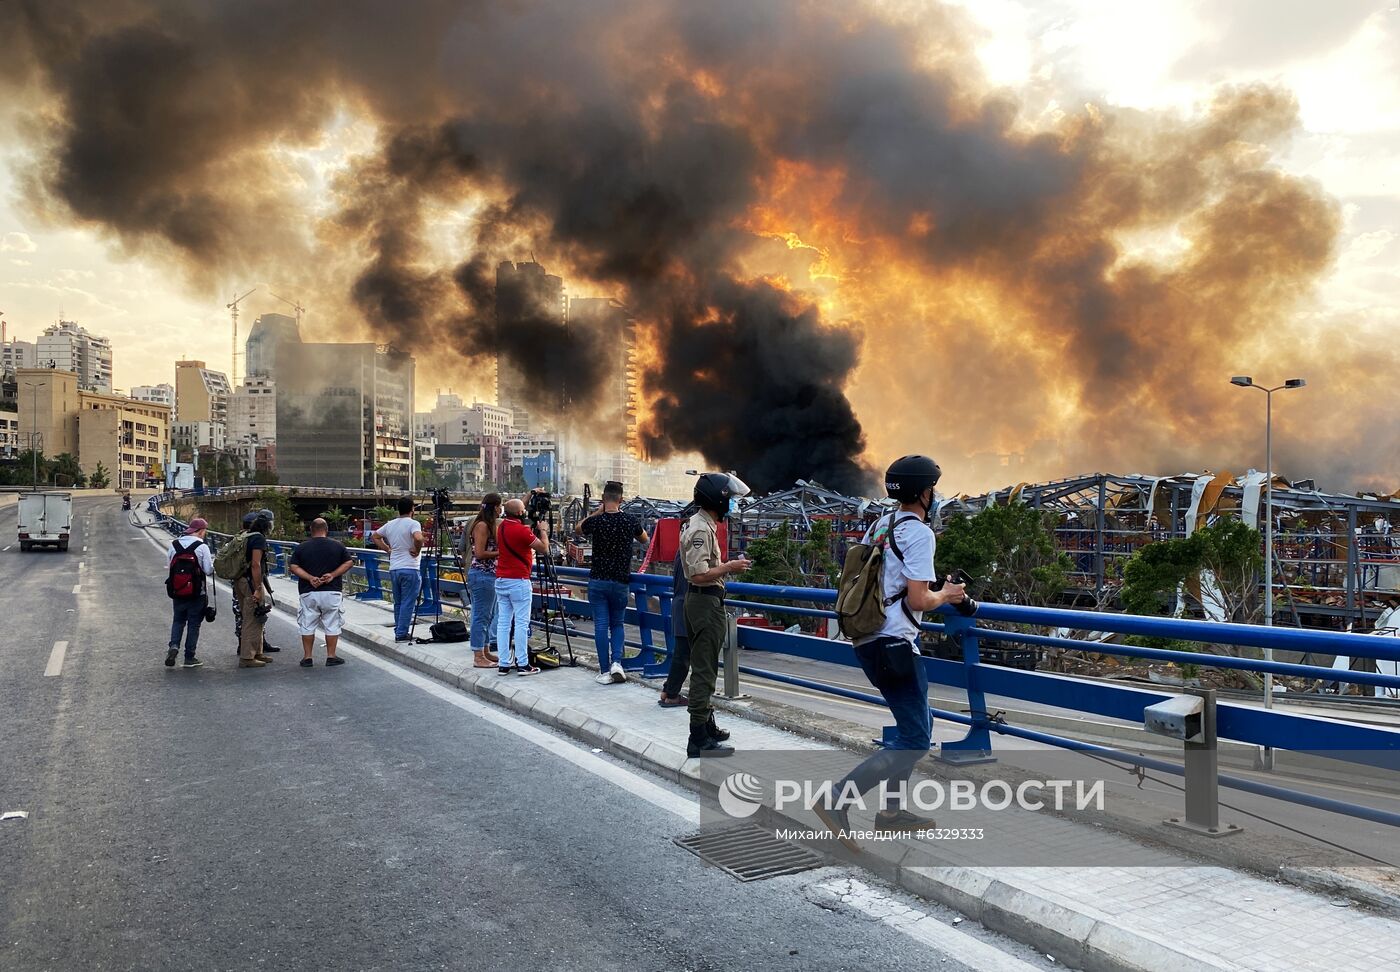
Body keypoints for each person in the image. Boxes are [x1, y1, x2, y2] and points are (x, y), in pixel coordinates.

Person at [814, 455, 966, 844]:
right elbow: (918, 599)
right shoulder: (920, 534)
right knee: (915, 739)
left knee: (916, 727)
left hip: (869, 639)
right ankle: (836, 799)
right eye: (932, 489)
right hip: (894, 644)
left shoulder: (880, 525)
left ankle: (892, 813)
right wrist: (947, 594)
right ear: (924, 493)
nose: (934, 495)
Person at [679, 472, 752, 758]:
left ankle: (706, 725)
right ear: (716, 500)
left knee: (706, 665)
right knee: (704, 671)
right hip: (704, 602)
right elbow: (698, 575)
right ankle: (697, 738)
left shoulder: (702, 523)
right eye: (729, 499)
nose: (732, 504)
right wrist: (729, 567)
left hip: (704, 601)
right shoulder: (700, 529)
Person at [578, 481, 649, 685]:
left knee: (601, 625)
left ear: (603, 499)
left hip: (598, 580)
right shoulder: (629, 520)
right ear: (621, 500)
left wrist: (597, 512)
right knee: (617, 624)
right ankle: (616, 663)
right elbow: (644, 539)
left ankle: (603, 670)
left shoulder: (596, 521)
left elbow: (578, 529)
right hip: (620, 581)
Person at [289, 517, 355, 668]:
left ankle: (307, 657)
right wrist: (332, 575)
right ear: (326, 530)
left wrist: (310, 578)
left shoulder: (302, 547)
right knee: (332, 623)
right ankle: (331, 656)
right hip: (332, 591)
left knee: (307, 624)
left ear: (311, 530)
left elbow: (294, 567)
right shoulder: (338, 545)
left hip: (308, 592)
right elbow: (349, 562)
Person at [495, 497, 549, 676]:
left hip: (501, 580)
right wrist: (543, 531)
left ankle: (503, 663)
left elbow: (516, 510)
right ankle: (523, 664)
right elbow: (544, 549)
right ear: (520, 513)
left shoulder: (502, 526)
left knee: (503, 623)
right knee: (521, 623)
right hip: (518, 581)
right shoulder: (522, 531)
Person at [372, 497, 425, 642]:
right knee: (408, 602)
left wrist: (388, 549)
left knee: (399, 602)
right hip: (410, 568)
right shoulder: (413, 523)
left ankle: (399, 630)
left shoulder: (390, 524)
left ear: (398, 509)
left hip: (394, 568)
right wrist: (417, 550)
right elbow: (419, 538)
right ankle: (402, 633)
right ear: (412, 509)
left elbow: (375, 536)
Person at [231, 508, 282, 655]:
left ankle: (256, 647)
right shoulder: (257, 539)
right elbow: (256, 564)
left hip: (240, 579)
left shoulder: (242, 538)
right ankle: (248, 654)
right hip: (250, 581)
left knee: (246, 615)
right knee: (252, 617)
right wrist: (258, 588)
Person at [165, 517, 213, 669]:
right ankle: (189, 657)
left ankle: (174, 646)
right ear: (201, 531)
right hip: (197, 593)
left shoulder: (174, 544)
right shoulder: (202, 546)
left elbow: (170, 566)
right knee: (194, 624)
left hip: (177, 590)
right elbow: (208, 570)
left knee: (178, 620)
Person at [467, 493, 502, 669]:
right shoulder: (481, 525)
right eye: (500, 505)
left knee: (487, 616)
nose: (501, 509)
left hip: (489, 575)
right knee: (480, 616)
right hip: (482, 575)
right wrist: (501, 553)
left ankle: (485, 650)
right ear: (495, 507)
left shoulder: (490, 524)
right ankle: (478, 656)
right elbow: (480, 553)